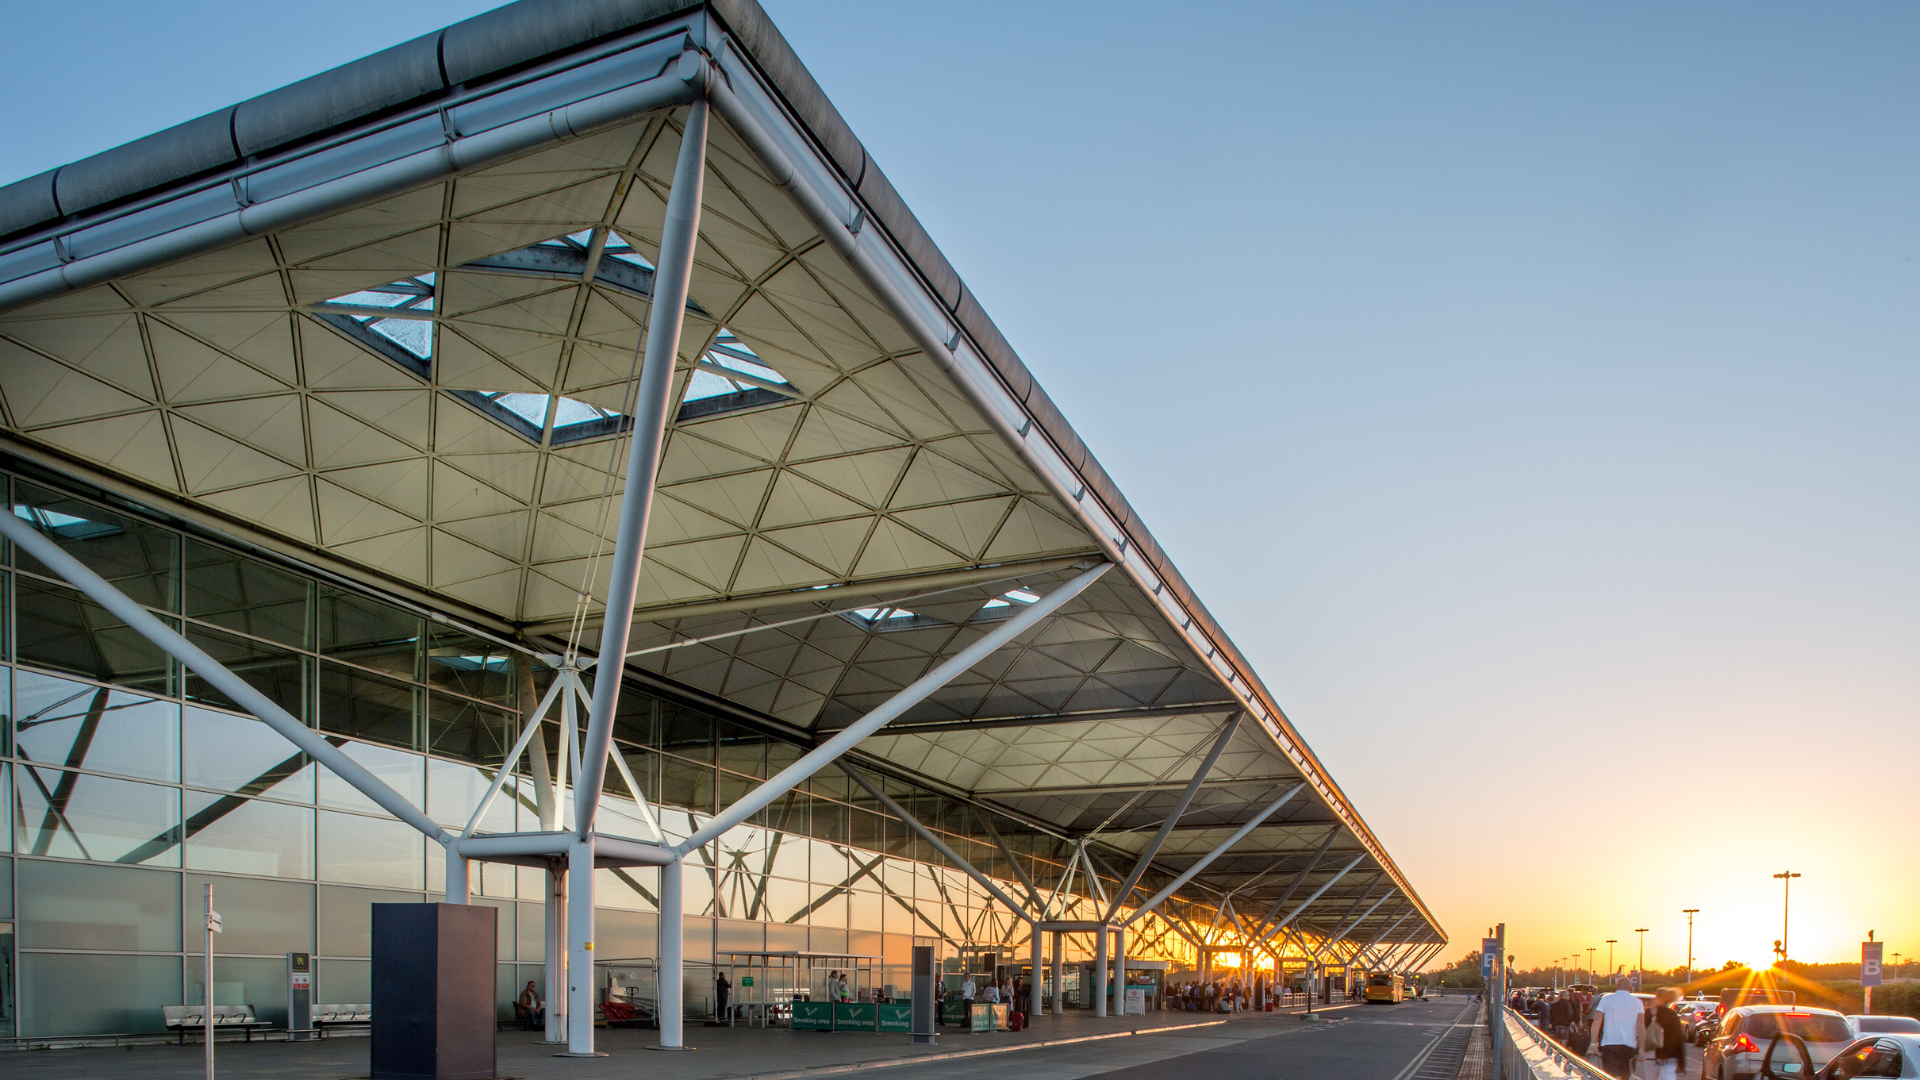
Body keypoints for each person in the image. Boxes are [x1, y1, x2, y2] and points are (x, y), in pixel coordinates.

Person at [1589, 981, 1646, 1080]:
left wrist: (1593, 1043)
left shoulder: (1606, 1000)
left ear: (1616, 987)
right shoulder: (1637, 1002)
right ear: (1630, 988)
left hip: (1609, 1044)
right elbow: (1641, 1026)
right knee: (1626, 1076)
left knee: (1612, 1076)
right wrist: (1642, 1049)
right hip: (1629, 1045)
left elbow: (1596, 1022)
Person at [1646, 987, 1687, 1080]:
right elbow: (1678, 1038)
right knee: (1668, 1076)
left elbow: (1640, 1030)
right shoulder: (1673, 1015)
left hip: (1651, 1050)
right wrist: (1681, 1061)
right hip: (1669, 1053)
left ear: (1658, 998)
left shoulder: (1648, 1013)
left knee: (1651, 1077)